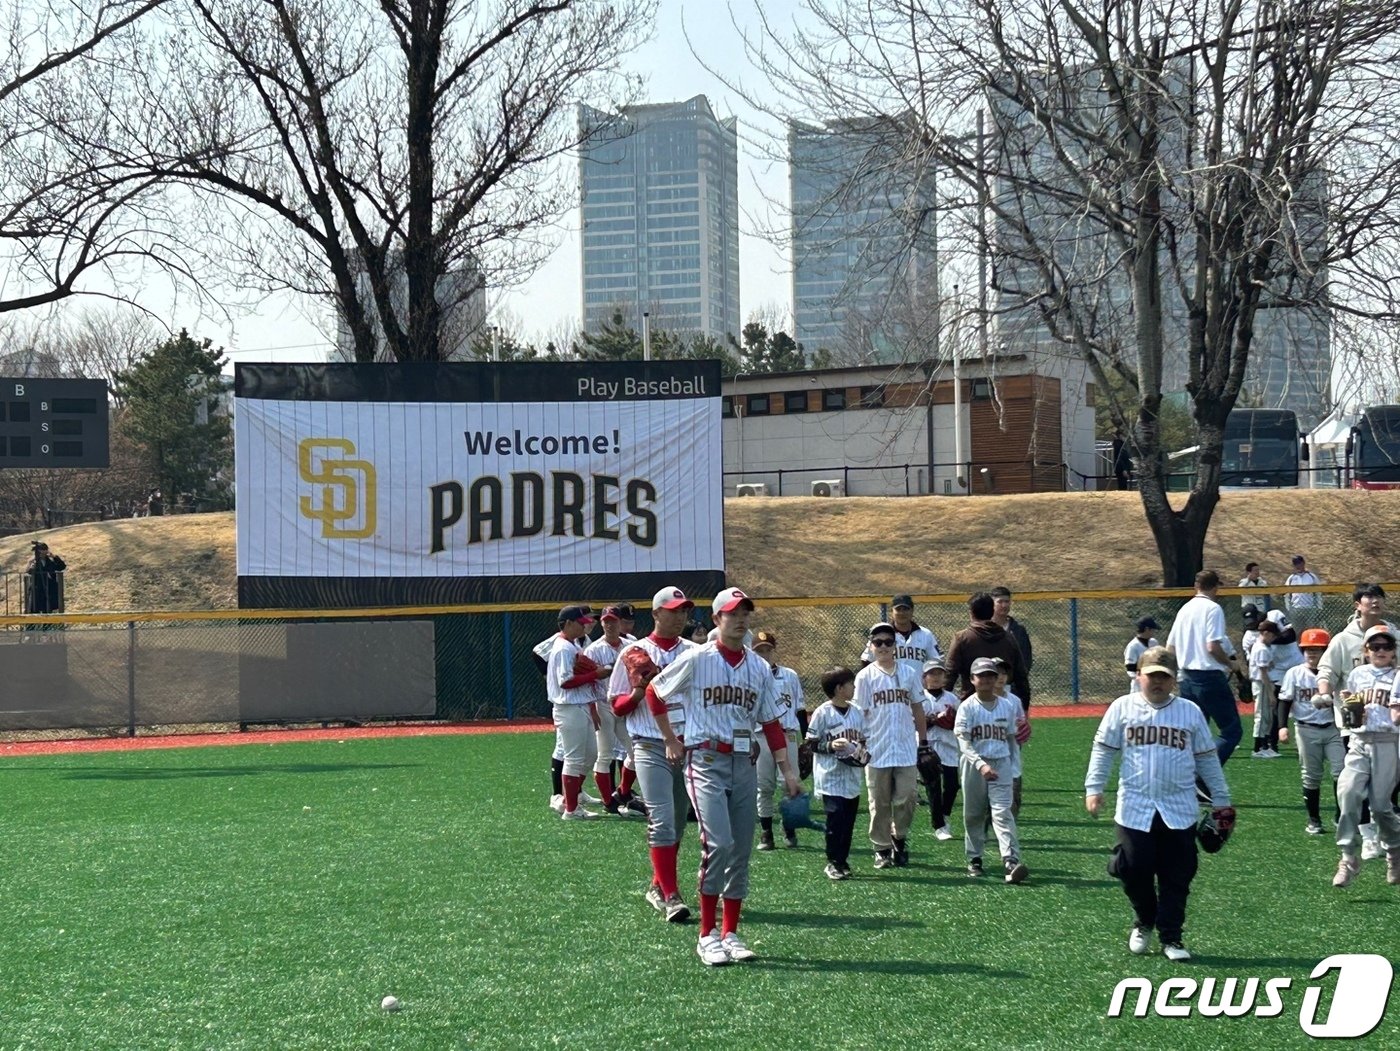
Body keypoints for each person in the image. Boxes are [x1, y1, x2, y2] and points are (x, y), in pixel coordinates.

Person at [648, 586, 803, 966]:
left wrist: (788, 771)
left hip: (743, 764)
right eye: (732, 613)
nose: (740, 619)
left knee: (740, 850)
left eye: (745, 613)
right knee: (717, 844)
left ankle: (730, 932)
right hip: (705, 760)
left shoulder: (759, 667)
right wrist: (670, 738)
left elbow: (770, 722)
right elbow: (655, 692)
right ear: (717, 619)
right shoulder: (699, 658)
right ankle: (706, 935)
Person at [1085, 646, 1233, 962]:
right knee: (1132, 868)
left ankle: (1172, 937)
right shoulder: (1122, 708)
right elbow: (1103, 750)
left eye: (1164, 677)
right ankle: (1144, 919)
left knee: (1177, 875)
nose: (1157, 683)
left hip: (1179, 808)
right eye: (1151, 676)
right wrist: (1094, 788)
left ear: (1174, 680)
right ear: (1139, 676)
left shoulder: (1189, 712)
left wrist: (1221, 799)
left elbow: (1207, 758)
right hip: (1134, 805)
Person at [607, 586, 699, 922]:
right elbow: (616, 706)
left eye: (684, 611)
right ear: (656, 614)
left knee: (677, 823)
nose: (680, 617)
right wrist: (638, 692)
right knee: (661, 820)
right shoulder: (633, 651)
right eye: (673, 610)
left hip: (688, 745)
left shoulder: (695, 651)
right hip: (648, 744)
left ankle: (658, 885)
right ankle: (672, 896)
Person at [1317, 583, 1393, 862]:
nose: (1374, 601)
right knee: (1358, 781)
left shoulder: (1392, 635)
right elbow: (1326, 670)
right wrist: (1324, 693)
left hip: (1390, 723)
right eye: (1368, 597)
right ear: (1356, 604)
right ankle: (1369, 836)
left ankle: (1384, 827)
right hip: (1355, 723)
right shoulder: (1342, 640)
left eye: (1378, 597)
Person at [1331, 624, 1400, 888]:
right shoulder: (1357, 675)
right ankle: (1348, 857)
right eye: (1375, 646)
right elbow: (1351, 709)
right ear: (1366, 650)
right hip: (1359, 742)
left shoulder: (1398, 676)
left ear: (1394, 651)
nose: (1381, 650)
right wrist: (1348, 704)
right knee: (1347, 794)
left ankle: (1394, 851)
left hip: (1388, 743)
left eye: (1387, 646)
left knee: (1381, 806)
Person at [855, 621, 928, 869]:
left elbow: (917, 707)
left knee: (907, 797)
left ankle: (899, 837)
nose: (883, 646)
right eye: (878, 642)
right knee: (879, 802)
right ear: (871, 647)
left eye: (888, 642)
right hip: (876, 748)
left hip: (906, 746)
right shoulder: (864, 677)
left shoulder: (908, 673)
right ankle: (882, 848)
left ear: (895, 645)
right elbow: (859, 712)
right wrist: (860, 743)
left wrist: (924, 741)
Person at [956, 657, 1029, 883]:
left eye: (990, 675)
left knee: (1002, 812)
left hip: (1001, 763)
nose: (986, 679)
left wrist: (1011, 765)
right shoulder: (967, 707)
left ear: (996, 679)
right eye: (981, 675)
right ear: (972, 680)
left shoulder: (1007, 705)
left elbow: (1010, 739)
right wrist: (981, 765)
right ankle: (975, 858)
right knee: (974, 813)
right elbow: (964, 742)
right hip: (974, 765)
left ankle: (1010, 860)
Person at [1164, 570, 1244, 773]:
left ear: (1195, 586)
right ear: (1216, 586)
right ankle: (1204, 777)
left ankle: (1183, 777)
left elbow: (1170, 647)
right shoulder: (1213, 609)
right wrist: (1230, 664)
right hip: (1208, 677)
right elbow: (1212, 646)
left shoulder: (1185, 609)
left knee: (1193, 734)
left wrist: (1170, 674)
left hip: (1186, 678)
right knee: (1231, 731)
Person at [547, 605, 610, 820]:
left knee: (591, 754)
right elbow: (565, 682)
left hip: (580, 705)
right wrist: (596, 674)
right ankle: (571, 809)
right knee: (573, 758)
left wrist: (592, 706)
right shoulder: (563, 647)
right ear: (568, 623)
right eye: (581, 623)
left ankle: (571, 798)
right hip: (568, 707)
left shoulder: (571, 645)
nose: (585, 626)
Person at [1280, 628, 1346, 836]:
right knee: (1311, 776)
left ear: (1327, 651)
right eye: (1308, 649)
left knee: (1341, 772)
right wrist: (1282, 727)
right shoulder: (1295, 673)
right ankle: (1314, 819)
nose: (1312, 653)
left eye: (1317, 649)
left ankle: (1340, 816)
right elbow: (1284, 701)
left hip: (1333, 729)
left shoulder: (1334, 673)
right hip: (1306, 729)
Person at [806, 666, 866, 880]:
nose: (854, 687)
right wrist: (831, 745)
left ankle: (842, 860)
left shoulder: (856, 711)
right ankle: (832, 862)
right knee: (836, 820)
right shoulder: (823, 712)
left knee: (848, 822)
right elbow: (811, 744)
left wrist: (861, 752)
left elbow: (864, 739)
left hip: (852, 777)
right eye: (850, 683)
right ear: (839, 688)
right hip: (830, 776)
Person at [751, 630, 806, 851]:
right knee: (764, 785)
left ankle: (788, 826)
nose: (764, 654)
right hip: (760, 734)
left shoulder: (789, 675)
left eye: (767, 650)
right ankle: (766, 832)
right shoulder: (750, 675)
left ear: (774, 651)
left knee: (788, 783)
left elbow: (800, 708)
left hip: (788, 732)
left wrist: (806, 739)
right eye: (759, 651)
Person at [584, 605, 640, 817]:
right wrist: (592, 709)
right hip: (603, 704)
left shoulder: (632, 645)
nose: (610, 624)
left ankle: (623, 792)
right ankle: (609, 802)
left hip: (625, 705)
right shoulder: (593, 650)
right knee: (605, 754)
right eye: (606, 621)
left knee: (635, 752)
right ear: (601, 623)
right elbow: (588, 682)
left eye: (613, 620)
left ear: (620, 622)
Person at [946, 592, 1031, 706]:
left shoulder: (962, 638)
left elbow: (950, 673)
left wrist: (943, 702)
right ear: (992, 611)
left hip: (971, 704)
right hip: (1004, 704)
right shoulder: (1008, 638)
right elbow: (1021, 676)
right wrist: (1024, 706)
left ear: (971, 613)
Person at [918, 658, 961, 842]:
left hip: (948, 745)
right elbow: (912, 722)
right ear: (924, 677)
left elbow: (959, 722)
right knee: (933, 786)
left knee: (952, 785)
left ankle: (944, 814)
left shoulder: (952, 698)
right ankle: (939, 825)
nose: (935, 677)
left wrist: (951, 721)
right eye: (931, 674)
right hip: (927, 746)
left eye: (939, 673)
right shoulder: (919, 697)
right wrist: (932, 720)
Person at [1248, 619, 1281, 759]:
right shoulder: (1261, 648)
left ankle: (1264, 746)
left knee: (1267, 716)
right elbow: (1263, 673)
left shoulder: (1261, 646)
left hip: (1264, 682)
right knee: (1261, 716)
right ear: (1266, 633)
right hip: (1261, 683)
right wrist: (1270, 693)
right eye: (1272, 636)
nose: (1273, 639)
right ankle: (1258, 748)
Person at [990, 586, 1033, 690]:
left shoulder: (1018, 631)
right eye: (1000, 602)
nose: (1004, 605)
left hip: (1013, 686)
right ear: (992, 604)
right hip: (988, 684)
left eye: (1007, 601)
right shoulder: (983, 630)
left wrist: (1016, 679)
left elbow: (1026, 657)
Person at [24, 542, 66, 616]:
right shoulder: (34, 562)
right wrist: (30, 564)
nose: (42, 554)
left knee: (47, 610)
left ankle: (47, 627)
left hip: (49, 589)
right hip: (37, 589)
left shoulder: (50, 561)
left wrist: (54, 557)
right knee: (33, 610)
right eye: (40, 552)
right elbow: (28, 571)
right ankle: (32, 627)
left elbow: (62, 566)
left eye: (44, 551)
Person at [1285, 555, 1323, 630]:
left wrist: (1319, 607)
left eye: (1299, 563)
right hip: (1296, 608)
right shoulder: (1291, 578)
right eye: (1295, 564)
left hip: (1310, 608)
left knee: (1311, 629)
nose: (1298, 566)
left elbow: (1318, 593)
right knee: (1296, 630)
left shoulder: (1312, 576)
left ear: (1303, 563)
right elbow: (1287, 595)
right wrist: (1289, 609)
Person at [1123, 617, 1160, 695]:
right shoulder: (1133, 646)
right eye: (1153, 629)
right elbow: (1130, 668)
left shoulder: (1154, 643)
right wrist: (1142, 679)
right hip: (1139, 685)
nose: (1154, 632)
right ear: (1147, 629)